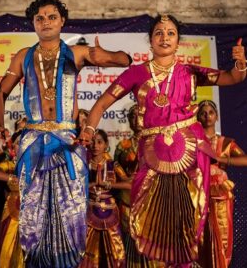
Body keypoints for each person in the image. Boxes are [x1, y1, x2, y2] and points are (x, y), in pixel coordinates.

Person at [80, 15, 246, 265]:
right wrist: (89, 131)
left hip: (190, 154)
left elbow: (232, 78)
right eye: (159, 33)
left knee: (187, 216)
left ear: (178, 42)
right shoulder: (136, 73)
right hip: (152, 154)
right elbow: (102, 103)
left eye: (170, 33)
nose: (164, 37)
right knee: (153, 217)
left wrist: (241, 64)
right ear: (150, 41)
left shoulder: (191, 72)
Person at [0, 0, 131, 267]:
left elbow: (124, 60)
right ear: (33, 23)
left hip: (68, 141)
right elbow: (1, 93)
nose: (45, 22)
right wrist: (0, 127)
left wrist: (106, 56)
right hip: (32, 142)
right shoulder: (23, 56)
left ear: (62, 21)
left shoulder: (76, 53)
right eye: (39, 18)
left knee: (70, 212)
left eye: (51, 16)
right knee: (33, 213)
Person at [196, 100, 244, 267]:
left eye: (211, 112)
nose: (207, 116)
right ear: (198, 118)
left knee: (222, 237)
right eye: (203, 113)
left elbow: (245, 159)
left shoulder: (226, 143)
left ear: (216, 116)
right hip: (199, 192)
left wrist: (222, 159)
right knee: (200, 239)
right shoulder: (194, 142)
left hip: (221, 194)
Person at [80, 129, 130, 268]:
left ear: (106, 144)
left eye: (99, 142)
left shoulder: (113, 165)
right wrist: (93, 184)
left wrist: (109, 184)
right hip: (89, 213)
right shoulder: (83, 165)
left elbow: (128, 184)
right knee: (87, 252)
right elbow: (74, 185)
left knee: (115, 252)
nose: (95, 146)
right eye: (93, 142)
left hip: (110, 213)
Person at [0, 131, 24, 268]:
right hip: (11, 211)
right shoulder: (10, 164)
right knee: (7, 248)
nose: (21, 146)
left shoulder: (37, 164)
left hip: (32, 211)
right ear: (13, 148)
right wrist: (13, 178)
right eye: (18, 144)